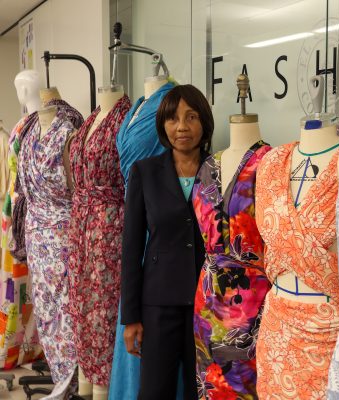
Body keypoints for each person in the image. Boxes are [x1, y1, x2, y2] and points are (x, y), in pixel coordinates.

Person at [120, 84, 213, 400]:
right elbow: (131, 248)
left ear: (205, 123)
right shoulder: (144, 173)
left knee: (201, 390)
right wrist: (131, 318)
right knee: (155, 391)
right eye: (173, 118)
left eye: (191, 117)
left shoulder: (220, 172)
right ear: (162, 125)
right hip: (158, 303)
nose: (182, 127)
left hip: (209, 303)